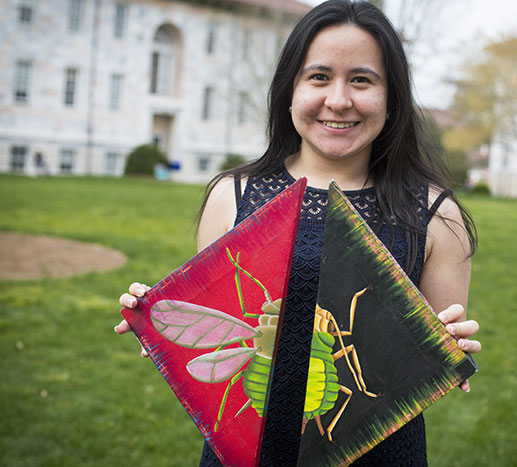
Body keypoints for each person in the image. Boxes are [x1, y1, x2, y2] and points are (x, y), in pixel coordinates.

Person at [115, 1, 481, 465]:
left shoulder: (435, 216)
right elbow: (220, 336)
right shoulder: (233, 195)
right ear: (290, 89)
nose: (339, 100)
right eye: (319, 77)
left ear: (392, 98)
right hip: (249, 451)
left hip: (378, 453)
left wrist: (450, 348)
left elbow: (422, 362)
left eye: (362, 80)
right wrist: (158, 321)